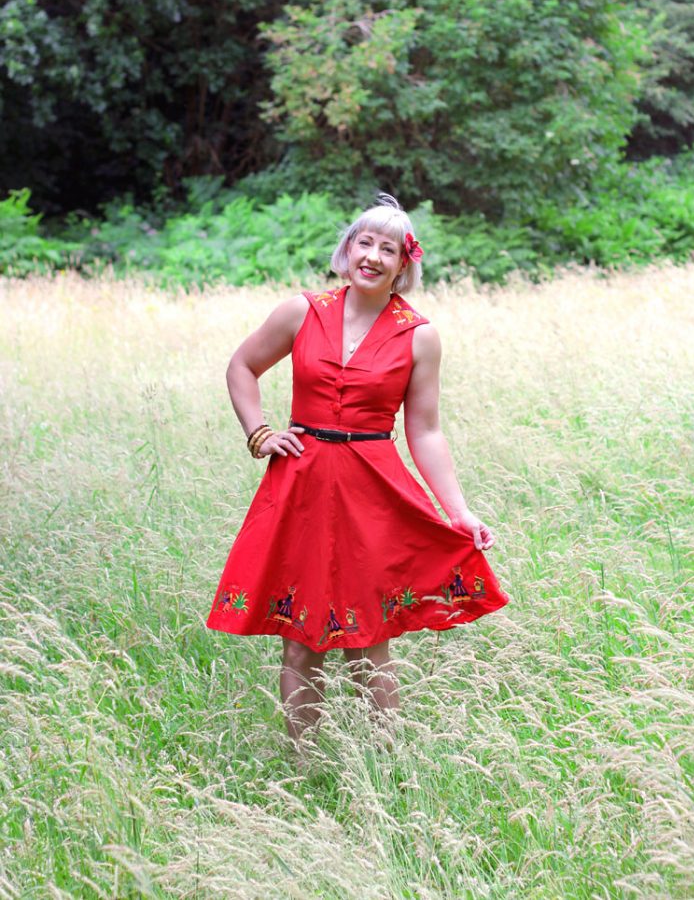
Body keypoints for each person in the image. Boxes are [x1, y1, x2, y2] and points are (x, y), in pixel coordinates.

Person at [206, 193, 509, 746]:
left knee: (368, 635)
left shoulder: (419, 335)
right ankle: (306, 765)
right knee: (300, 635)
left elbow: (425, 431)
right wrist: (260, 433)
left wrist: (459, 511)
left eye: (386, 248)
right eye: (363, 242)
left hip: (374, 490)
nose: (371, 256)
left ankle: (383, 766)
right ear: (347, 250)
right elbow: (241, 366)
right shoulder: (302, 311)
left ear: (403, 264)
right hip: (300, 484)